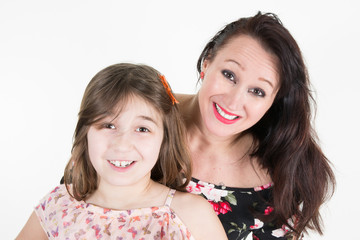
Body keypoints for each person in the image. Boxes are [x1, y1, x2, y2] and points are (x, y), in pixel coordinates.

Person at [16, 63, 227, 240]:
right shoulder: (59, 204)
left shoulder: (189, 214)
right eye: (108, 125)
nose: (122, 145)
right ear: (85, 132)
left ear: (164, 140)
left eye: (142, 129)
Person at [178, 12, 335, 240]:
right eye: (229, 75)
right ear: (207, 61)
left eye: (257, 91)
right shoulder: (137, 114)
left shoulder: (280, 174)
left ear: (274, 101)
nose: (233, 102)